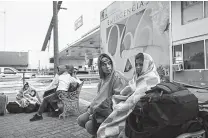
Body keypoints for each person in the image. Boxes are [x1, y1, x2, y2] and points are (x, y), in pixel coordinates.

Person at [96, 52, 161, 138]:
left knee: (105, 120)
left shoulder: (151, 78)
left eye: (141, 65)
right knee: (99, 112)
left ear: (148, 64)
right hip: (130, 103)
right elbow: (128, 89)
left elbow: (135, 98)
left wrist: (119, 106)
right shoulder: (137, 76)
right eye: (136, 64)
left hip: (137, 110)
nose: (138, 67)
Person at [77, 53, 129, 137]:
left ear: (112, 63)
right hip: (97, 108)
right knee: (80, 120)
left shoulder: (117, 77)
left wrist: (95, 113)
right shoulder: (103, 78)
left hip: (107, 110)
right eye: (104, 64)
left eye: (109, 63)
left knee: (89, 126)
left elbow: (117, 100)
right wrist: (91, 107)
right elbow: (99, 96)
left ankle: (101, 134)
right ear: (100, 67)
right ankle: (99, 134)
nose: (107, 66)